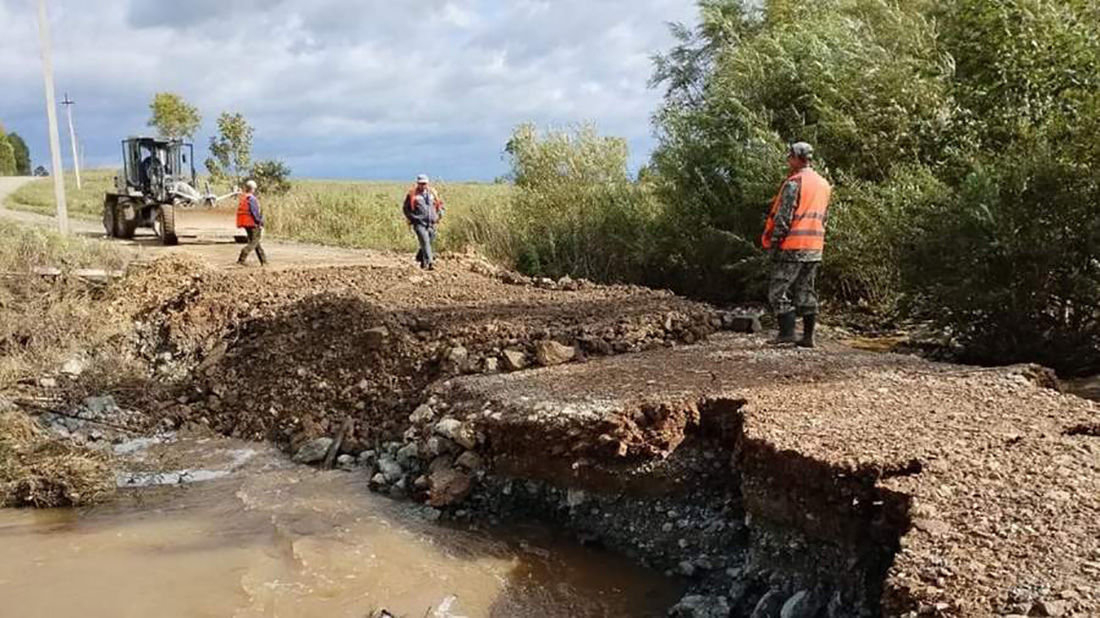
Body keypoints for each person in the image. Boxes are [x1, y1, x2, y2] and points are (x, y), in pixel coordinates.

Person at [761, 142, 832, 348]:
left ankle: (786, 334)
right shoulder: (823, 184)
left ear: (797, 158)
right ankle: (808, 337)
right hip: (815, 245)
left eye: (789, 156)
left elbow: (784, 217)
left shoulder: (795, 183)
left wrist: (775, 242)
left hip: (793, 244)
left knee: (778, 290)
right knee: (806, 290)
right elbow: (824, 217)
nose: (787, 159)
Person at [402, 174, 445, 270]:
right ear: (417, 183)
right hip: (419, 223)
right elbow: (406, 209)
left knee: (429, 242)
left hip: (432, 223)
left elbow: (440, 205)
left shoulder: (433, 193)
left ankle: (420, 257)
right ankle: (430, 262)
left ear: (427, 183)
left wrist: (439, 215)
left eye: (424, 183)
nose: (422, 185)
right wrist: (413, 218)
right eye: (420, 184)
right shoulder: (412, 194)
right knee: (425, 242)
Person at [236, 179, 267, 266]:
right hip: (252, 223)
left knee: (256, 242)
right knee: (254, 242)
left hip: (246, 223)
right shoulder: (252, 199)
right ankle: (242, 257)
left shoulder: (244, 197)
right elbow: (255, 212)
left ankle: (264, 261)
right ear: (253, 189)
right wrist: (260, 222)